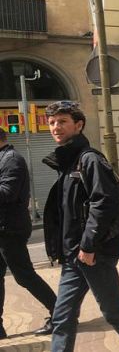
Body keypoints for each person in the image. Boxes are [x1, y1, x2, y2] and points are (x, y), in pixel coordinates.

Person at [42, 101, 119, 352]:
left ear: (78, 125)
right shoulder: (67, 162)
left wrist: (89, 246)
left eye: (62, 121)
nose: (56, 127)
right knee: (62, 316)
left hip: (94, 253)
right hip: (74, 254)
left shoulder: (89, 159)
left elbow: (104, 203)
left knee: (113, 311)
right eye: (52, 122)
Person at [0, 127, 57, 339]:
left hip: (10, 229)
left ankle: (59, 314)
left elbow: (8, 193)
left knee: (24, 275)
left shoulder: (12, 159)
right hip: (2, 228)